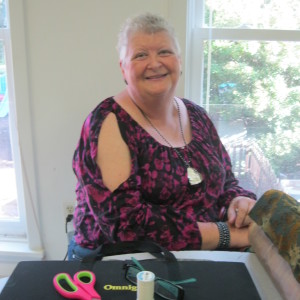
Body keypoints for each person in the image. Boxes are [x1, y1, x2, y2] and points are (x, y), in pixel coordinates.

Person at [69, 12, 257, 261]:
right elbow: (127, 227)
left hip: (200, 257)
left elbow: (225, 181)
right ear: (123, 67)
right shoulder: (108, 123)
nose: (154, 63)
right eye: (140, 55)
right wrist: (226, 234)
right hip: (121, 264)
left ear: (179, 60)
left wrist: (238, 200)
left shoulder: (196, 115)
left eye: (164, 52)